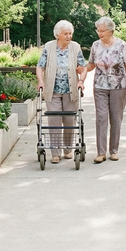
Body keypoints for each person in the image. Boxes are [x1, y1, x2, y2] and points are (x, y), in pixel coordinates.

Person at [36, 20, 87, 164]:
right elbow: (40, 67)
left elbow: (82, 68)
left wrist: (81, 80)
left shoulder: (75, 47)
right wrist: (41, 81)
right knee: (54, 120)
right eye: (66, 33)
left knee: (70, 120)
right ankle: (55, 153)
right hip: (52, 90)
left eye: (70, 33)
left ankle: (68, 149)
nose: (69, 36)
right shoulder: (49, 47)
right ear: (58, 34)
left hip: (71, 90)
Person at [85, 16, 126, 163]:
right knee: (101, 118)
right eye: (98, 30)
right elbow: (91, 65)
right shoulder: (95, 45)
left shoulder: (121, 45)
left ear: (111, 31)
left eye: (102, 31)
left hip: (118, 86)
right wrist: (81, 69)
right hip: (100, 86)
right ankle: (101, 153)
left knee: (116, 118)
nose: (99, 33)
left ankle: (114, 151)